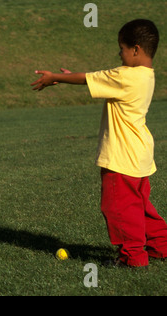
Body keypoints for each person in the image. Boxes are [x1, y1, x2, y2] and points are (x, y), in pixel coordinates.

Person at [31, 19, 167, 267]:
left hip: (121, 159)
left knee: (119, 209)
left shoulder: (126, 76)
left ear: (136, 50)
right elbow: (93, 79)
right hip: (140, 155)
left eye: (121, 49)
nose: (119, 54)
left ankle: (133, 258)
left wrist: (54, 77)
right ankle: (161, 246)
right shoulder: (146, 75)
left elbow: (89, 78)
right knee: (141, 206)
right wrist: (70, 77)